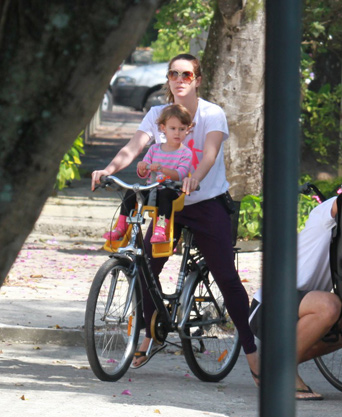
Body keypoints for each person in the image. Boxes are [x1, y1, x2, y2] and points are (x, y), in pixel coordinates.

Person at [91, 54, 259, 380]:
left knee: (226, 276)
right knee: (145, 263)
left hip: (206, 203)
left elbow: (209, 153)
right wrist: (109, 169)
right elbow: (134, 147)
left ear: (197, 79)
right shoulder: (158, 114)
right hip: (168, 202)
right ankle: (149, 331)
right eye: (173, 74)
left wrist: (195, 176)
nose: (179, 80)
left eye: (186, 74)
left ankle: (251, 350)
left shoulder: (212, 114)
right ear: (167, 79)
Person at [248, 176, 342, 400]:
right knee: (329, 306)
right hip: (268, 306)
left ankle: (273, 364)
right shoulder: (325, 213)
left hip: (303, 306)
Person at [102, 104, 193, 244]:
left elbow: (180, 174)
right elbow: (144, 174)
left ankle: (160, 229)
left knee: (165, 194)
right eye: (173, 128)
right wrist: (142, 168)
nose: (177, 133)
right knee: (132, 192)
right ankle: (121, 226)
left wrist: (163, 171)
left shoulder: (185, 153)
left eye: (182, 129)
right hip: (152, 189)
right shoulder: (154, 149)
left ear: (188, 130)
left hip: (172, 192)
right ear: (163, 128)